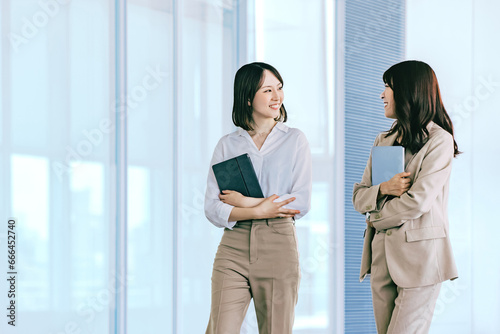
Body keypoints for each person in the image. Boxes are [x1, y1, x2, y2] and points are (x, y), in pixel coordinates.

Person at [352, 60, 460, 334]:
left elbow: (417, 202)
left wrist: (375, 217)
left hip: (421, 259)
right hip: (382, 259)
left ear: (409, 91)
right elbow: (358, 197)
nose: (381, 95)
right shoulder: (383, 139)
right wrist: (384, 189)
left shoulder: (439, 140)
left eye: (387, 87)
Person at [204, 62, 312, 334]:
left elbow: (299, 202)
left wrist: (244, 202)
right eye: (267, 90)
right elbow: (212, 208)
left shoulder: (295, 140)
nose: (277, 97)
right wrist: (258, 209)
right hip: (233, 247)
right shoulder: (228, 145)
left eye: (279, 88)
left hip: (278, 245)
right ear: (248, 97)